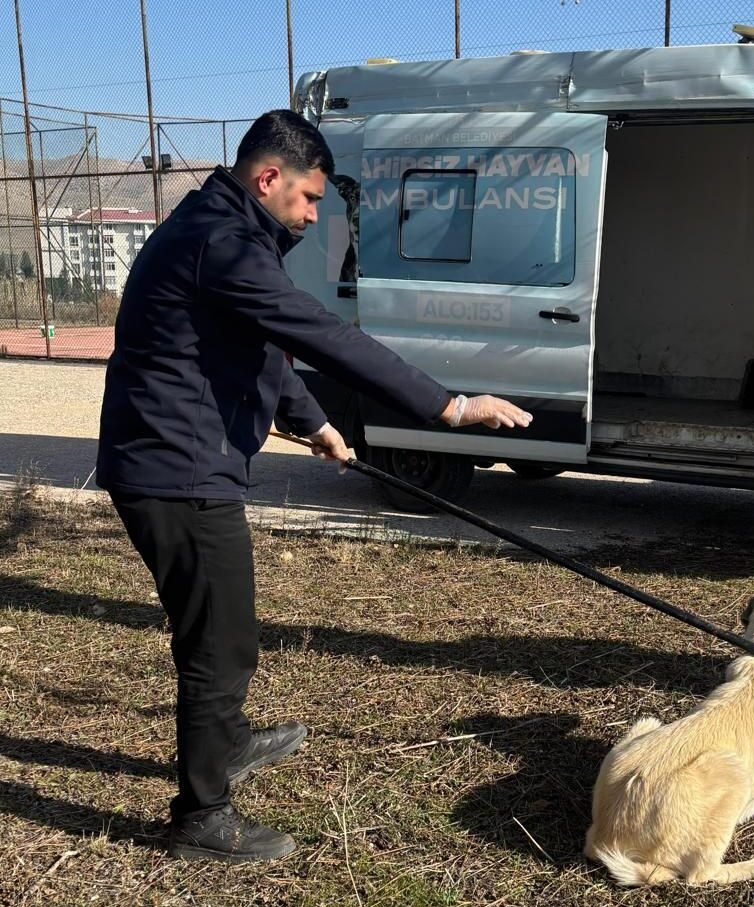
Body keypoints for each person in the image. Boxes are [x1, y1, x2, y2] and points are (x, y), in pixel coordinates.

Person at [97, 110, 533, 864]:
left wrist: (314, 420)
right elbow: (317, 332)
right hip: (177, 472)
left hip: (178, 463)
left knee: (224, 630)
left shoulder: (218, 230)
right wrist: (449, 405)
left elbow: (255, 342)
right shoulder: (223, 240)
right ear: (268, 179)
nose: (310, 215)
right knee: (217, 644)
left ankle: (225, 740)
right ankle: (201, 815)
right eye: (306, 200)